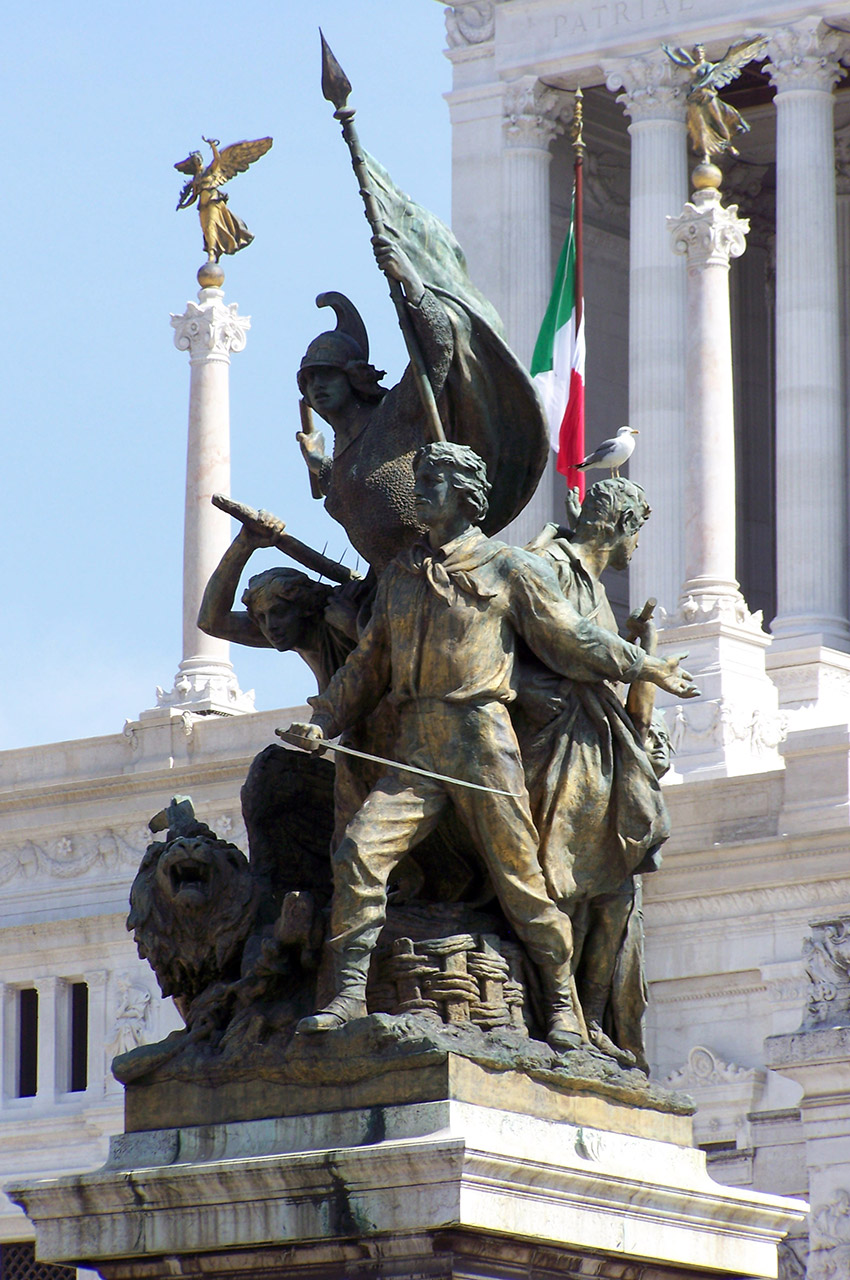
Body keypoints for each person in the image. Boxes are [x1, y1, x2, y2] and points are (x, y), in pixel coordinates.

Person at [282, 443, 698, 1052]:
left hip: (481, 739)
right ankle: (348, 993)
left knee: (522, 881)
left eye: (433, 481)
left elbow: (572, 639)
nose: (420, 490)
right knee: (356, 852)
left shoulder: (508, 567)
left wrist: (645, 665)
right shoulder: (402, 575)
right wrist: (323, 722)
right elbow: (368, 666)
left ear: (466, 494)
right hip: (415, 746)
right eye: (419, 478)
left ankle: (561, 1007)